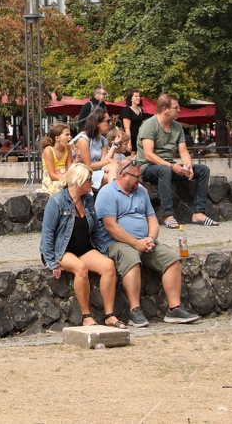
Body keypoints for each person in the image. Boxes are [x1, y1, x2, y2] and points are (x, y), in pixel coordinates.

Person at [93, 156, 200, 326]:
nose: (140, 179)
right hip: (116, 243)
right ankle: (135, 310)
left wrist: (151, 238)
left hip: (145, 241)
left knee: (171, 258)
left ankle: (174, 309)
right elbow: (110, 226)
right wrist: (136, 243)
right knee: (132, 258)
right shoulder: (107, 193)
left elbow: (152, 219)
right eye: (137, 176)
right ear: (123, 175)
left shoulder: (141, 191)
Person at [39, 163, 122, 327]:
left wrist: (103, 251)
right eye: (89, 180)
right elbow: (47, 234)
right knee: (80, 268)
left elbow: (96, 229)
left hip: (85, 247)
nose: (92, 183)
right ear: (79, 181)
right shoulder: (56, 201)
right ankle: (86, 316)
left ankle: (109, 314)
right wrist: (51, 261)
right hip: (63, 250)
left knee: (108, 265)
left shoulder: (88, 199)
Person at [136, 95, 217, 227]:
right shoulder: (149, 126)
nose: (179, 110)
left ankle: (198, 213)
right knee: (165, 170)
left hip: (168, 166)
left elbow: (183, 151)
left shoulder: (177, 127)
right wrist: (172, 166)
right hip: (148, 167)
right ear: (165, 109)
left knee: (203, 170)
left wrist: (188, 165)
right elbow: (148, 155)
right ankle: (168, 215)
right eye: (176, 107)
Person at [72, 111, 117, 190]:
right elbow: (88, 165)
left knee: (115, 167)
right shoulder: (83, 139)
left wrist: (115, 144)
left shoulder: (103, 140)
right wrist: (108, 161)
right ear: (97, 123)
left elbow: (103, 162)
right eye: (108, 121)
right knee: (111, 176)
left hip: (95, 171)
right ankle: (113, 195)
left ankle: (113, 195)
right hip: (82, 172)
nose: (110, 124)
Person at [41, 122, 73, 195]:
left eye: (70, 134)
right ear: (57, 138)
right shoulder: (48, 150)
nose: (70, 137)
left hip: (64, 175)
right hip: (52, 179)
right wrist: (66, 180)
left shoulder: (67, 148)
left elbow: (70, 167)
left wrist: (77, 158)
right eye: (67, 135)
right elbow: (52, 174)